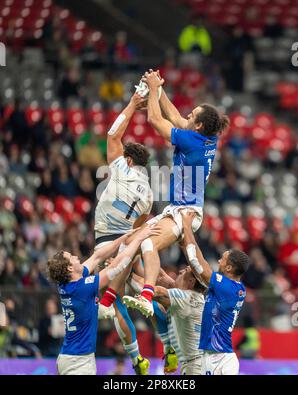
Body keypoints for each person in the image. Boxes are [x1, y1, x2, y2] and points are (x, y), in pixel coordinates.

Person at [123, 70, 229, 317]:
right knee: (131, 243)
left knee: (147, 243)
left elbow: (155, 120)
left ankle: (147, 294)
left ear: (199, 125)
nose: (187, 116)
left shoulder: (191, 141)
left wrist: (150, 90)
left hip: (185, 213)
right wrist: (158, 89)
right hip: (179, 208)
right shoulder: (206, 138)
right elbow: (175, 116)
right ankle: (144, 287)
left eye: (192, 115)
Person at [94, 92, 159, 375]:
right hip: (129, 244)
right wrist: (127, 254)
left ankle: (137, 360)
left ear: (130, 160)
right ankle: (168, 345)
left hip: (107, 240)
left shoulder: (121, 168)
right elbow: (138, 228)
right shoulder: (149, 193)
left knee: (112, 300)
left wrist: (133, 104)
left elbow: (112, 135)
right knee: (146, 289)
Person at [47, 226, 157, 375]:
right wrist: (138, 239)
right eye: (71, 257)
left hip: (70, 357)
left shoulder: (67, 283)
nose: (76, 256)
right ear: (70, 269)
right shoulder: (82, 288)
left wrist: (124, 238)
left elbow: (97, 256)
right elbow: (117, 266)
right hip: (78, 362)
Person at [180, 210, 250, 375]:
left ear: (229, 268)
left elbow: (199, 266)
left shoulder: (227, 288)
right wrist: (186, 240)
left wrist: (187, 227)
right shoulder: (233, 288)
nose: (219, 260)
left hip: (222, 358)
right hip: (212, 355)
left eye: (223, 259)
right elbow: (199, 264)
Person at [129, 266, 206, 375]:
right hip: (195, 363)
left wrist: (124, 271)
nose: (180, 270)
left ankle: (168, 348)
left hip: (195, 367)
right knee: (155, 306)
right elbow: (158, 275)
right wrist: (141, 254)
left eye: (184, 271)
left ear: (191, 282)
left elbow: (153, 291)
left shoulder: (186, 297)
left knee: (151, 301)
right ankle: (169, 349)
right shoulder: (194, 296)